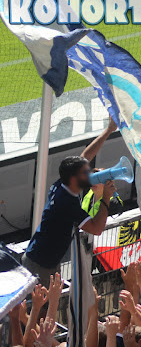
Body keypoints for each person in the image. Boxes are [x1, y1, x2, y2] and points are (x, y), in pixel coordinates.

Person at [22, 119, 118, 282]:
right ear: (74, 178)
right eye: (86, 173)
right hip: (41, 266)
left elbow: (85, 156)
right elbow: (96, 228)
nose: (90, 174)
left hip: (43, 261)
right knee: (44, 300)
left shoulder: (63, 183)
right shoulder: (67, 204)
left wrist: (109, 130)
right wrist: (106, 196)